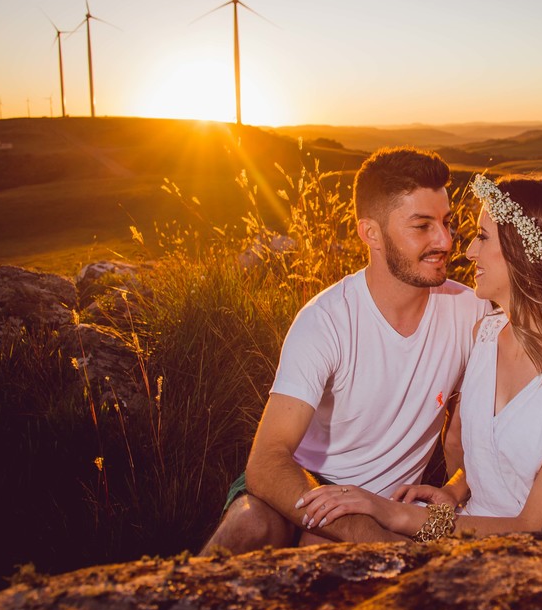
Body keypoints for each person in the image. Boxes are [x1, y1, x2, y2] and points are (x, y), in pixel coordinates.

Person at [297, 173, 542, 541]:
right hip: (468, 526)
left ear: (524, 252)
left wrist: (391, 512)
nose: (468, 251)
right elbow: (494, 452)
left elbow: (537, 528)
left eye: (483, 237)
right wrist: (454, 491)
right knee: (319, 539)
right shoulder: (485, 334)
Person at [199, 147, 486, 555]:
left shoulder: (471, 312)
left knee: (319, 541)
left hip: (389, 504)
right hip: (306, 480)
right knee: (251, 522)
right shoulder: (325, 320)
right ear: (371, 233)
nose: (445, 240)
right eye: (422, 226)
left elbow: (469, 436)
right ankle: (176, 595)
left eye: (446, 222)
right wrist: (380, 542)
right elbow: (266, 462)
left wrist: (455, 492)